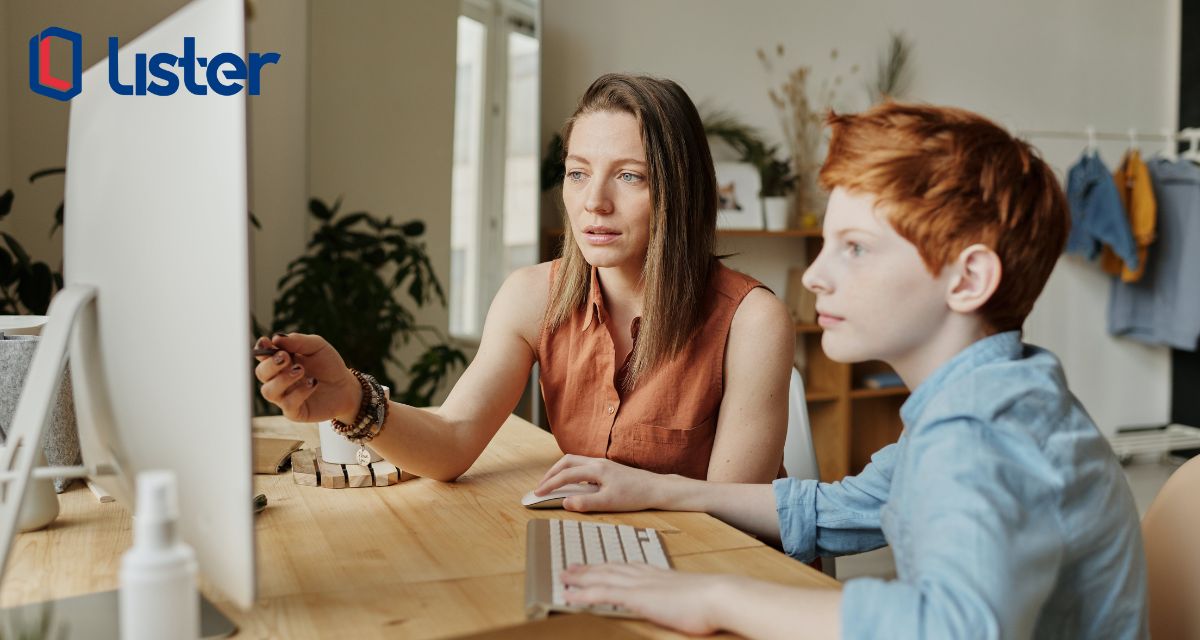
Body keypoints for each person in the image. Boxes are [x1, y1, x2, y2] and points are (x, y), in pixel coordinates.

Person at [534, 103, 1148, 639]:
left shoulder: (983, 435)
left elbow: (951, 628)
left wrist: (717, 597)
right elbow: (842, 508)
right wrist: (661, 491)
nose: (813, 275)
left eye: (854, 248)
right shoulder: (995, 396)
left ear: (968, 279)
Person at [253, 73, 794, 484]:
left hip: (717, 576)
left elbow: (732, 519)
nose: (593, 202)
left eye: (629, 176)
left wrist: (631, 493)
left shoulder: (752, 320)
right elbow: (452, 441)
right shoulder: (533, 295)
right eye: (578, 173)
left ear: (681, 191)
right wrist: (351, 398)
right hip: (607, 554)